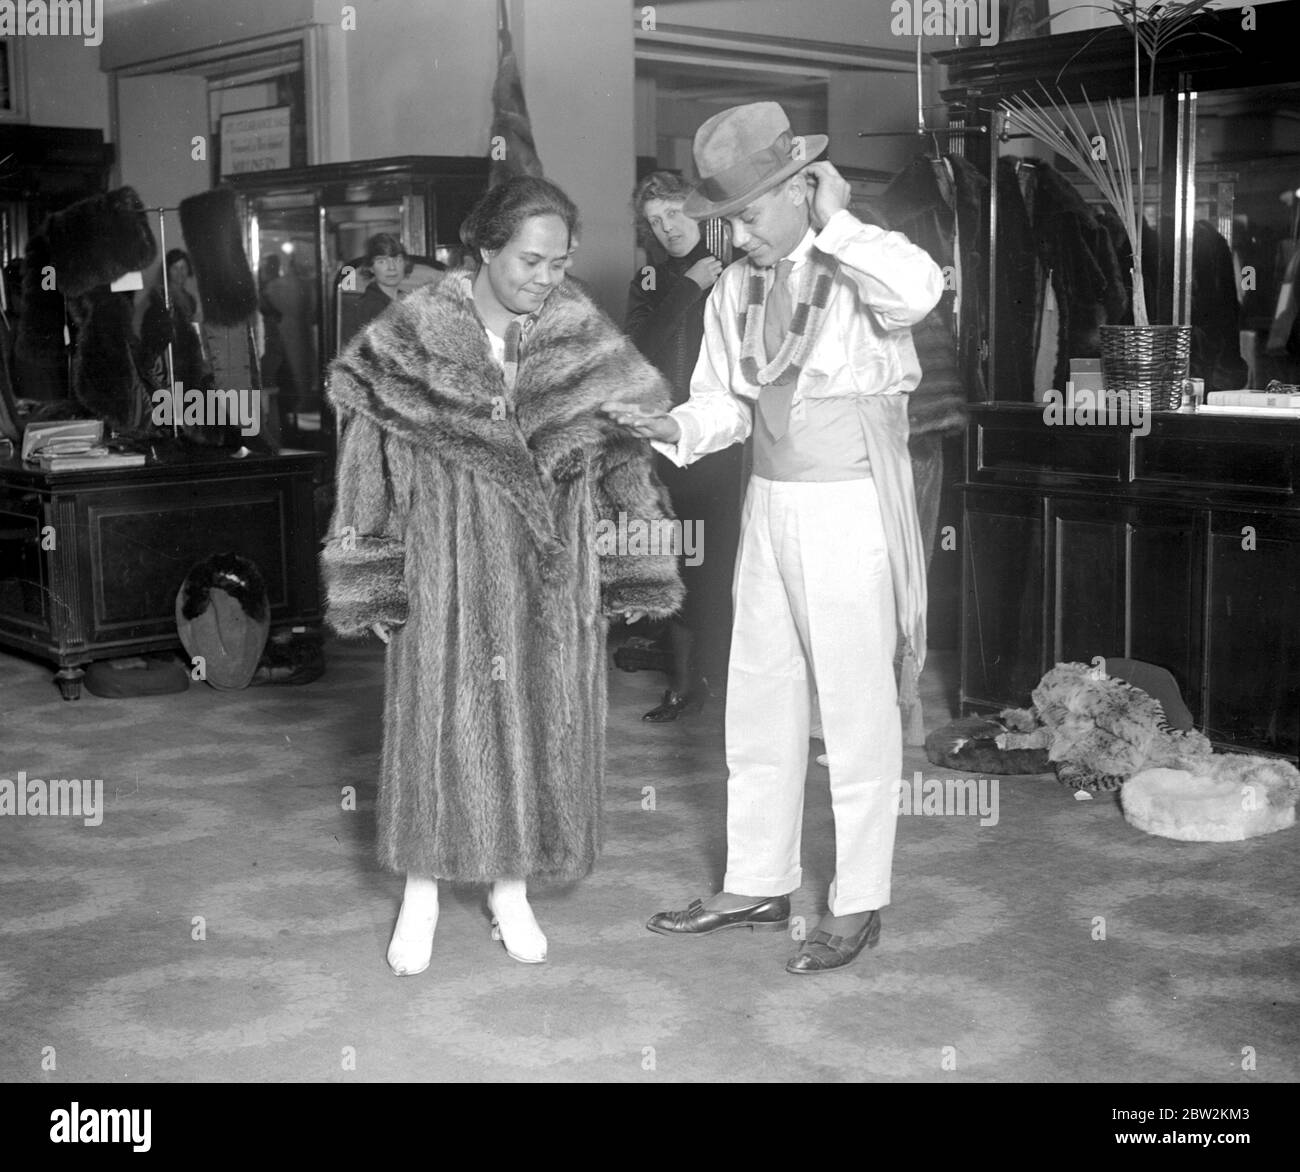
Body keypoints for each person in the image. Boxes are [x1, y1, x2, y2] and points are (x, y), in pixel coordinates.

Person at [603, 102, 943, 974]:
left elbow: (921, 290)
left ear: (801, 190)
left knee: (856, 709)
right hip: (770, 504)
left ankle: (859, 897)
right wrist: (665, 425)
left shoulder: (862, 266)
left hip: (851, 509)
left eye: (749, 216)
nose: (739, 236)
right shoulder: (733, 288)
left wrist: (841, 222)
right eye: (729, 220)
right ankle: (758, 879)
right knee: (758, 695)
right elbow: (725, 402)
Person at [322, 175, 682, 975]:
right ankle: (420, 889)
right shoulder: (408, 342)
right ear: (482, 249)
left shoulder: (583, 339)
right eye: (530, 260)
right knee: (437, 730)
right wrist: (370, 573)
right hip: (445, 574)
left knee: (543, 727)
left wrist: (632, 566)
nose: (546, 278)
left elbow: (629, 461)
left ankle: (508, 889)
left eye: (561, 262)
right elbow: (365, 471)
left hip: (555, 579)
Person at [625, 172, 742, 720]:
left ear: (698, 211)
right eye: (654, 220)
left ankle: (719, 681)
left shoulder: (742, 265)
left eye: (674, 214)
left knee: (720, 564)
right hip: (665, 441)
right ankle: (681, 683)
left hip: (726, 438)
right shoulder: (652, 277)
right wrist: (689, 284)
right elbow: (638, 350)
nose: (666, 227)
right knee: (675, 561)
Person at [140, 249, 208, 393]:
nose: (180, 273)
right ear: (167, 271)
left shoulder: (189, 299)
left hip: (189, 364)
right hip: (171, 365)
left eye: (183, 267)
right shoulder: (161, 300)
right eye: (175, 268)